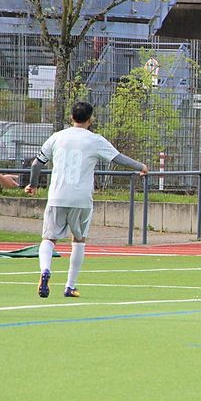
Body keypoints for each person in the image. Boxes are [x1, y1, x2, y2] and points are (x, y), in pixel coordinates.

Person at [24, 101, 148, 298]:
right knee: (79, 239)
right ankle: (70, 286)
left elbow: (36, 164)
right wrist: (140, 166)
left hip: (57, 196)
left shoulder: (57, 137)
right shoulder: (95, 140)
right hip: (81, 198)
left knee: (49, 238)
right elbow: (118, 158)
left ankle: (45, 270)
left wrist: (33, 184)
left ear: (71, 117)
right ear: (90, 119)